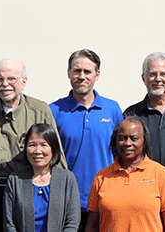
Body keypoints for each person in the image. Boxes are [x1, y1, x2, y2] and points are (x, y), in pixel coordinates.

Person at [0, 59, 61, 232]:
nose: (5, 84)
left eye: (11, 79)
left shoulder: (40, 111)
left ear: (24, 81)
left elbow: (54, 156)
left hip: (25, 190)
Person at [49, 49, 122, 231]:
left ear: (97, 75)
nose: (82, 76)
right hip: (67, 200)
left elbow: (121, 153)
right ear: (69, 73)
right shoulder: (54, 110)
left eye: (87, 71)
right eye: (77, 71)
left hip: (106, 198)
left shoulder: (112, 109)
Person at [86, 117, 165, 232]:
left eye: (134, 138)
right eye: (122, 138)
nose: (127, 143)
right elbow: (91, 226)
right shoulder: (102, 177)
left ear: (144, 141)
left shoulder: (161, 174)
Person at [4, 124, 81, 232]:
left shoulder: (67, 179)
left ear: (53, 148)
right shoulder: (15, 179)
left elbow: (72, 222)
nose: (37, 151)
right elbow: (9, 223)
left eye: (44, 145)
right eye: (32, 145)